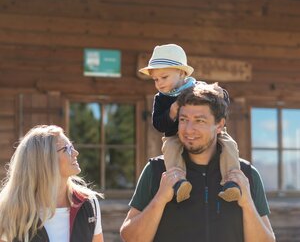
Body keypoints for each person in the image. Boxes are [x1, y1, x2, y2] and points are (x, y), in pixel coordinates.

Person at [120, 82, 275, 242]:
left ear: (220, 125)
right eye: (183, 119)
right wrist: (160, 199)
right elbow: (129, 237)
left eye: (199, 121)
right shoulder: (157, 170)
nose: (188, 129)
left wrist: (247, 203)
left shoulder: (246, 174)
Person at [139, 43, 241, 203]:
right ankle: (179, 182)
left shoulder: (197, 87)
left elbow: (221, 99)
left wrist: (221, 94)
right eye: (155, 79)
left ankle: (231, 182)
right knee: (170, 148)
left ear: (181, 73)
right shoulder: (161, 99)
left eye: (164, 77)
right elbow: (158, 124)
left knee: (229, 145)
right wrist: (171, 112)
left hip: (210, 135)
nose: (159, 83)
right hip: (174, 135)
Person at [0, 125, 104, 242]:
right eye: (67, 149)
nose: (75, 153)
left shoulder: (88, 203)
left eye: (72, 147)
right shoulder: (9, 210)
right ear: (44, 160)